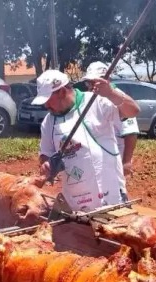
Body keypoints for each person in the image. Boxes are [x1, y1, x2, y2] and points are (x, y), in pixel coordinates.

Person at [35, 69, 140, 212]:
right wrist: (46, 163)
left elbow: (133, 111)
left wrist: (111, 93)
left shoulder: (95, 102)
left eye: (47, 99)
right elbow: (45, 154)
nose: (46, 106)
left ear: (61, 91)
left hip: (110, 193)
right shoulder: (48, 122)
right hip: (76, 202)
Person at [83, 61, 140, 180]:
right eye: (89, 82)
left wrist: (126, 162)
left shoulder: (119, 98)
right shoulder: (89, 98)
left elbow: (131, 133)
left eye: (95, 81)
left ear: (106, 79)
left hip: (115, 158)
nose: (91, 86)